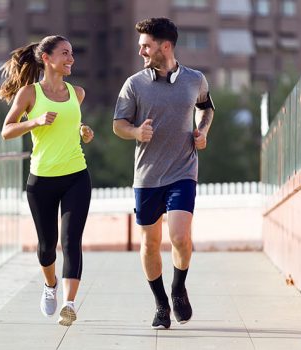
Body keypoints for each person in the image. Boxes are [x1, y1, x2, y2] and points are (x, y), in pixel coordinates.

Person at [113, 17, 215, 329]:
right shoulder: (134, 84)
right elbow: (118, 125)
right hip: (147, 176)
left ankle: (178, 287)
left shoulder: (195, 79)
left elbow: (207, 107)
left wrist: (202, 131)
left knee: (181, 238)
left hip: (183, 170)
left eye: (146, 45)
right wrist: (135, 133)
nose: (141, 50)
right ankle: (161, 304)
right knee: (150, 243)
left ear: (165, 46)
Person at [0, 35, 94, 327]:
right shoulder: (29, 93)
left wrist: (83, 131)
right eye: (65, 53)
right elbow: (7, 130)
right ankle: (50, 285)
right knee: (47, 246)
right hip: (41, 180)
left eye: (72, 54)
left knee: (71, 240)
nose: (71, 59)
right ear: (48, 58)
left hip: (76, 175)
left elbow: (69, 122)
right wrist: (35, 122)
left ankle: (69, 303)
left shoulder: (77, 93)